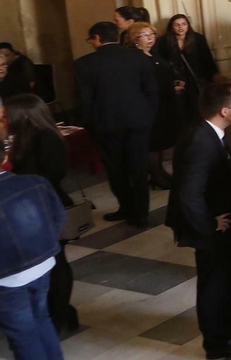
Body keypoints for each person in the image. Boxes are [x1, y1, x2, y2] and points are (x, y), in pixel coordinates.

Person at [166, 82, 231, 359]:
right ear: (224, 110)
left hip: (224, 217)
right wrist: (209, 225)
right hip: (211, 224)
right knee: (215, 281)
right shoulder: (200, 141)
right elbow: (189, 193)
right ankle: (216, 341)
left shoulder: (210, 132)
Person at [3, 95, 77, 333]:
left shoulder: (46, 138)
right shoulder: (23, 137)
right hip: (30, 208)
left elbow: (52, 174)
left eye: (7, 115)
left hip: (44, 205)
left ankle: (60, 315)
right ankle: (58, 312)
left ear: (23, 116)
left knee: (57, 263)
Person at [73, 20, 159, 225]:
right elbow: (151, 91)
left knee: (116, 169)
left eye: (90, 39)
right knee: (138, 168)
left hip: (105, 124)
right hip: (138, 121)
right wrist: (148, 116)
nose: (90, 43)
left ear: (97, 38)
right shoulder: (138, 57)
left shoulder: (83, 64)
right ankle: (141, 213)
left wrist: (88, 123)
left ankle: (126, 208)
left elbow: (84, 100)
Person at [0, 157, 67, 360]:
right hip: (44, 263)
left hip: (7, 277)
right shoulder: (35, 182)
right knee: (41, 317)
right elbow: (58, 216)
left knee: (22, 334)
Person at [123, 22, 180, 190]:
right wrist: (170, 89)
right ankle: (155, 175)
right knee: (153, 143)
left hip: (163, 105)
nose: (150, 38)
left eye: (152, 34)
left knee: (160, 141)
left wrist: (173, 84)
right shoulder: (135, 58)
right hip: (149, 107)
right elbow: (144, 85)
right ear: (134, 39)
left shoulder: (152, 54)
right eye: (144, 35)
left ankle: (160, 171)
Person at [157, 13, 219, 130]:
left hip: (196, 79)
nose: (180, 27)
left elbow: (207, 59)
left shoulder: (198, 39)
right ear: (171, 27)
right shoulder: (164, 41)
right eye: (176, 25)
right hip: (177, 81)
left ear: (188, 25)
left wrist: (214, 75)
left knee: (198, 111)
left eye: (183, 24)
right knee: (180, 114)